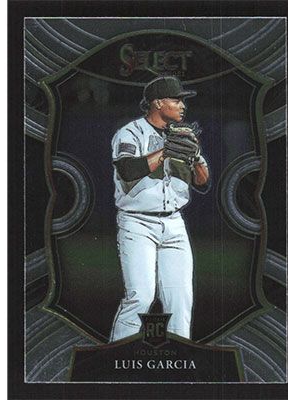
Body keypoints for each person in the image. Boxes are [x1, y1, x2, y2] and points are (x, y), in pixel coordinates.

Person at [110, 76, 210, 341]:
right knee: (141, 297)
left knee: (181, 298)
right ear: (157, 103)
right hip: (137, 223)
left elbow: (203, 183)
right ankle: (113, 355)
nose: (182, 105)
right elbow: (127, 170)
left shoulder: (182, 136)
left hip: (174, 224)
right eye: (176, 100)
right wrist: (165, 151)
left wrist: (194, 157)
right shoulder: (131, 133)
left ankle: (181, 353)